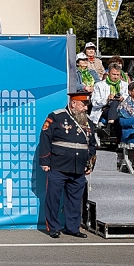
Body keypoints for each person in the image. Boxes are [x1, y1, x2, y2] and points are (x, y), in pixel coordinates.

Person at [39, 91, 96, 239]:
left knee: (75, 200)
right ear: (73, 103)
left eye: (87, 105)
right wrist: (45, 160)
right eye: (83, 104)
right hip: (58, 166)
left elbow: (92, 145)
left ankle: (72, 227)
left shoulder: (88, 122)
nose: (85, 108)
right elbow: (45, 138)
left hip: (78, 167)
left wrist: (89, 164)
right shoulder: (56, 117)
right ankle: (53, 227)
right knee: (53, 198)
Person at [90, 63, 128, 139]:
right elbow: (94, 102)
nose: (116, 77)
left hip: (121, 109)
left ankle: (110, 126)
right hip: (104, 109)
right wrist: (106, 100)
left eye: (118, 75)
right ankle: (112, 129)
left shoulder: (125, 85)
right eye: (113, 74)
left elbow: (128, 97)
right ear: (108, 73)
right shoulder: (99, 85)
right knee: (114, 103)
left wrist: (123, 98)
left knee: (116, 103)